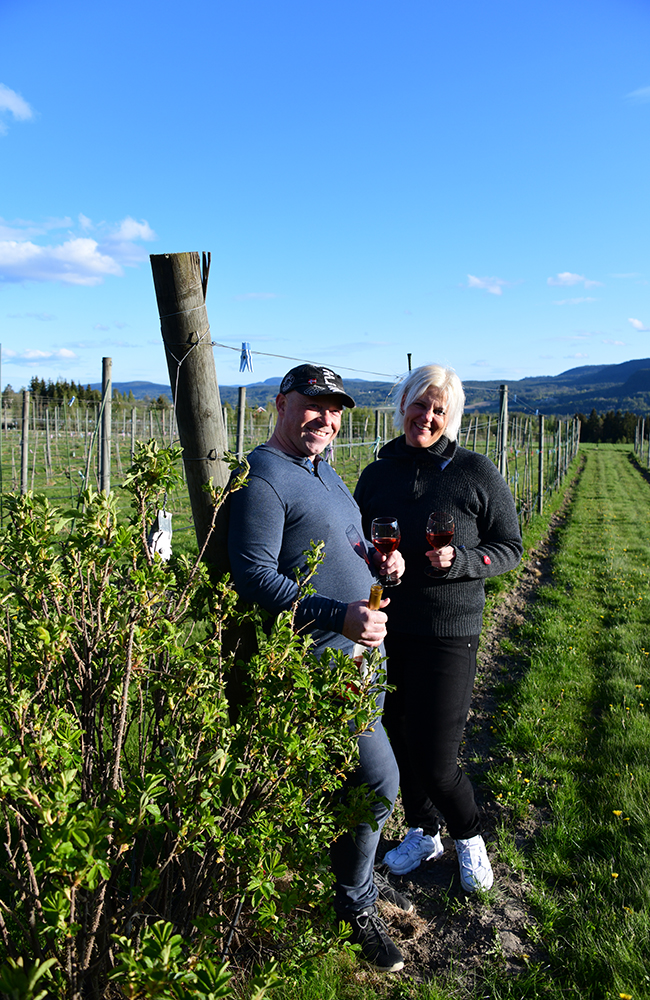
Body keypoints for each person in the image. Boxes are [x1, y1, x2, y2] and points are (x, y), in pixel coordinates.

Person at [227, 364, 408, 972]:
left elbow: (336, 547)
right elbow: (255, 577)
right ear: (281, 404)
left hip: (361, 656)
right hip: (321, 664)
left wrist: (379, 564)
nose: (326, 420)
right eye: (314, 405)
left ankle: (343, 879)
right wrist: (338, 614)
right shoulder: (263, 477)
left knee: (349, 786)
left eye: (334, 410)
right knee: (379, 781)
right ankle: (356, 903)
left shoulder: (324, 471)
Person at [354, 364, 523, 892]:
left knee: (437, 756)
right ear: (403, 405)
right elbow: (359, 542)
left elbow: (510, 547)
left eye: (438, 409)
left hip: (450, 630)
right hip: (389, 629)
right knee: (399, 738)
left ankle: (468, 835)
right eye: (419, 404)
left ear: (451, 418)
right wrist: (378, 563)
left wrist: (464, 560)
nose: (426, 416)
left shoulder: (475, 472)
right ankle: (423, 831)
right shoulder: (377, 474)